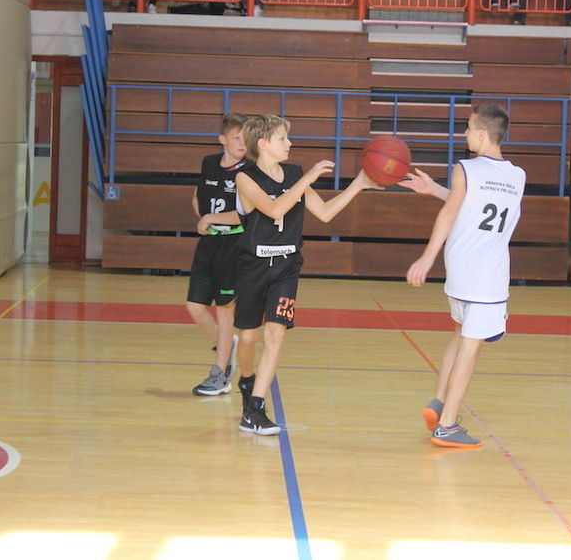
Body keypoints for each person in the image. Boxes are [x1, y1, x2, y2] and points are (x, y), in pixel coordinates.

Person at [234, 115, 380, 434]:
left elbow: (325, 213)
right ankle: (246, 380)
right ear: (263, 144)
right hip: (253, 266)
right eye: (283, 138)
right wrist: (309, 178)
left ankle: (255, 409)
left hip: (287, 266)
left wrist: (357, 185)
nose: (290, 143)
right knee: (247, 337)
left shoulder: (294, 174)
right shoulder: (245, 177)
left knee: (276, 333)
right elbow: (274, 209)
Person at [402, 104, 526, 448]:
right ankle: (448, 425)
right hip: (487, 276)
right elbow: (457, 208)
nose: (466, 134)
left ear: (483, 135)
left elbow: (461, 206)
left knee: (460, 336)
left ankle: (439, 401)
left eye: (469, 128)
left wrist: (434, 191)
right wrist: (425, 257)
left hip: (459, 270)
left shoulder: (465, 169)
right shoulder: (518, 175)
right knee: (470, 349)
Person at [188, 113, 252, 396]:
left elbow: (246, 214)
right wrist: (203, 217)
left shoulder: (249, 170)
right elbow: (198, 195)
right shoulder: (209, 163)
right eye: (236, 138)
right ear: (222, 139)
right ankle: (227, 345)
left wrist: (211, 218)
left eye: (246, 138)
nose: (242, 143)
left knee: (225, 311)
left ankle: (221, 374)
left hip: (234, 244)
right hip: (209, 244)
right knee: (195, 306)